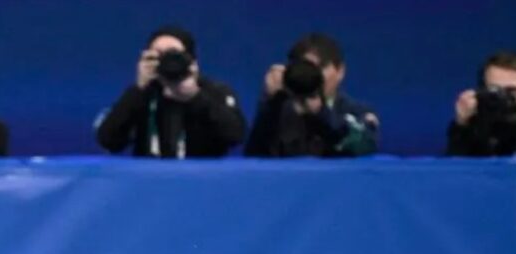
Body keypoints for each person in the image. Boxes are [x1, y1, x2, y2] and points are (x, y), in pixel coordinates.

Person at [95, 26, 246, 158]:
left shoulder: (213, 91)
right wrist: (138, 90)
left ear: (192, 61)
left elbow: (236, 136)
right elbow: (108, 141)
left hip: (202, 177)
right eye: (158, 55)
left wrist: (196, 97)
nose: (167, 61)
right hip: (149, 178)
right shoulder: (141, 95)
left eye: (173, 55)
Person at [245, 33, 378, 158]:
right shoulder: (279, 109)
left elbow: (363, 147)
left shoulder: (356, 112)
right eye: (306, 68)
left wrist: (321, 113)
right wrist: (272, 103)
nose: (314, 75)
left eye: (321, 67)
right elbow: (255, 156)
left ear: (340, 71)